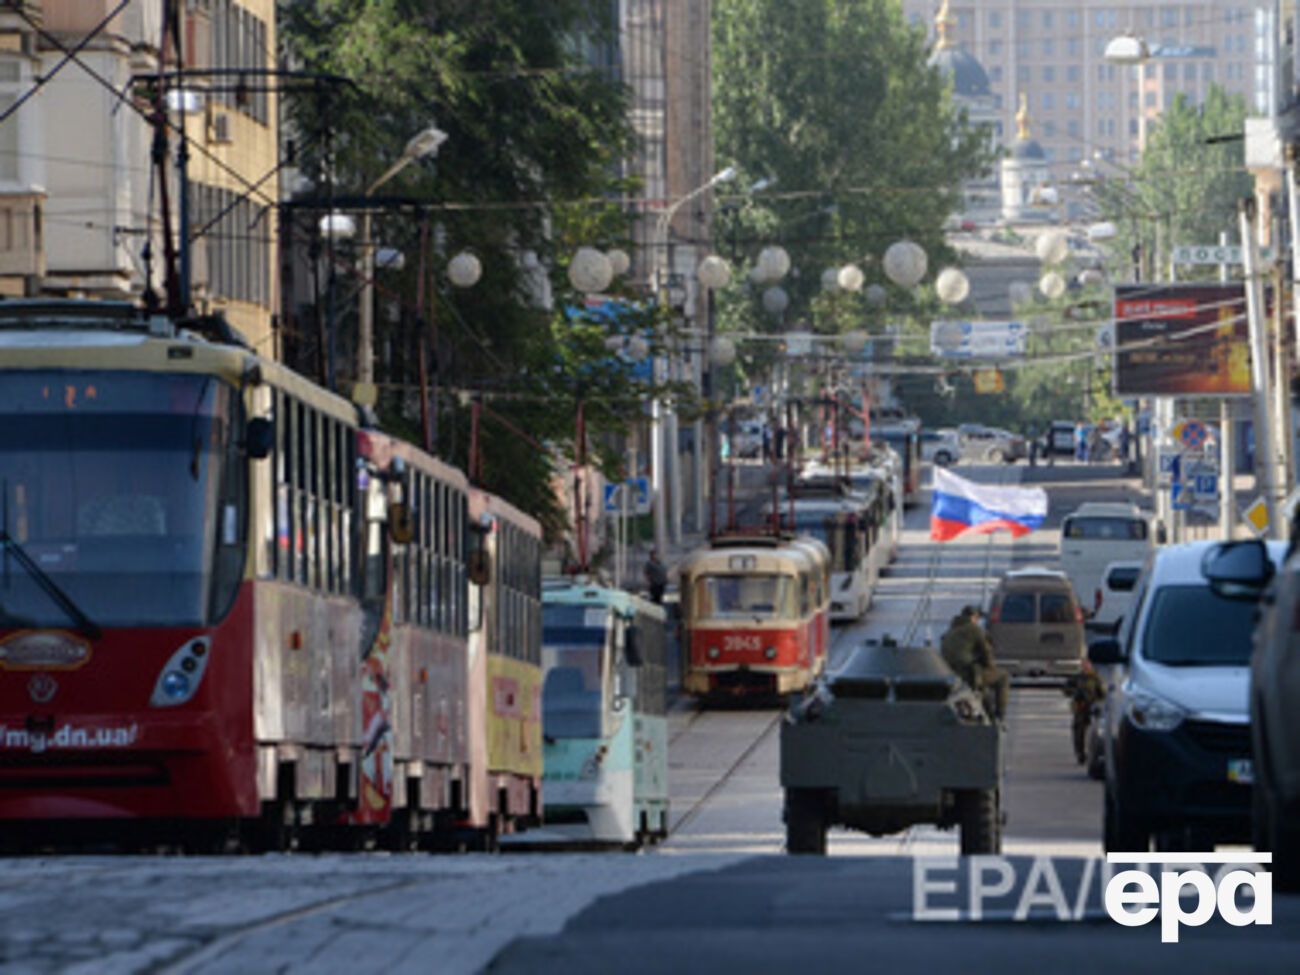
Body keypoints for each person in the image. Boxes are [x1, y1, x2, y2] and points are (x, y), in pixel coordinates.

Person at [940, 605, 1009, 721]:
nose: (977, 621)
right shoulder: (974, 630)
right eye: (977, 618)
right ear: (973, 617)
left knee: (983, 685)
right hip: (968, 674)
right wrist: (991, 667)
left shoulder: (950, 631)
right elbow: (986, 652)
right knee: (1002, 676)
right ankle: (999, 716)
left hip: (950, 673)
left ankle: (988, 714)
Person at [1062, 661, 1105, 765]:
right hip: (1080, 707)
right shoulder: (1077, 678)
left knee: (1095, 731)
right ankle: (1080, 753)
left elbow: (1102, 694)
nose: (1086, 667)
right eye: (1084, 665)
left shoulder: (1096, 679)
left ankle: (1095, 753)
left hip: (1092, 707)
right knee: (1078, 731)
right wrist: (1075, 693)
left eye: (1088, 665)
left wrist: (1098, 702)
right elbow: (1066, 689)